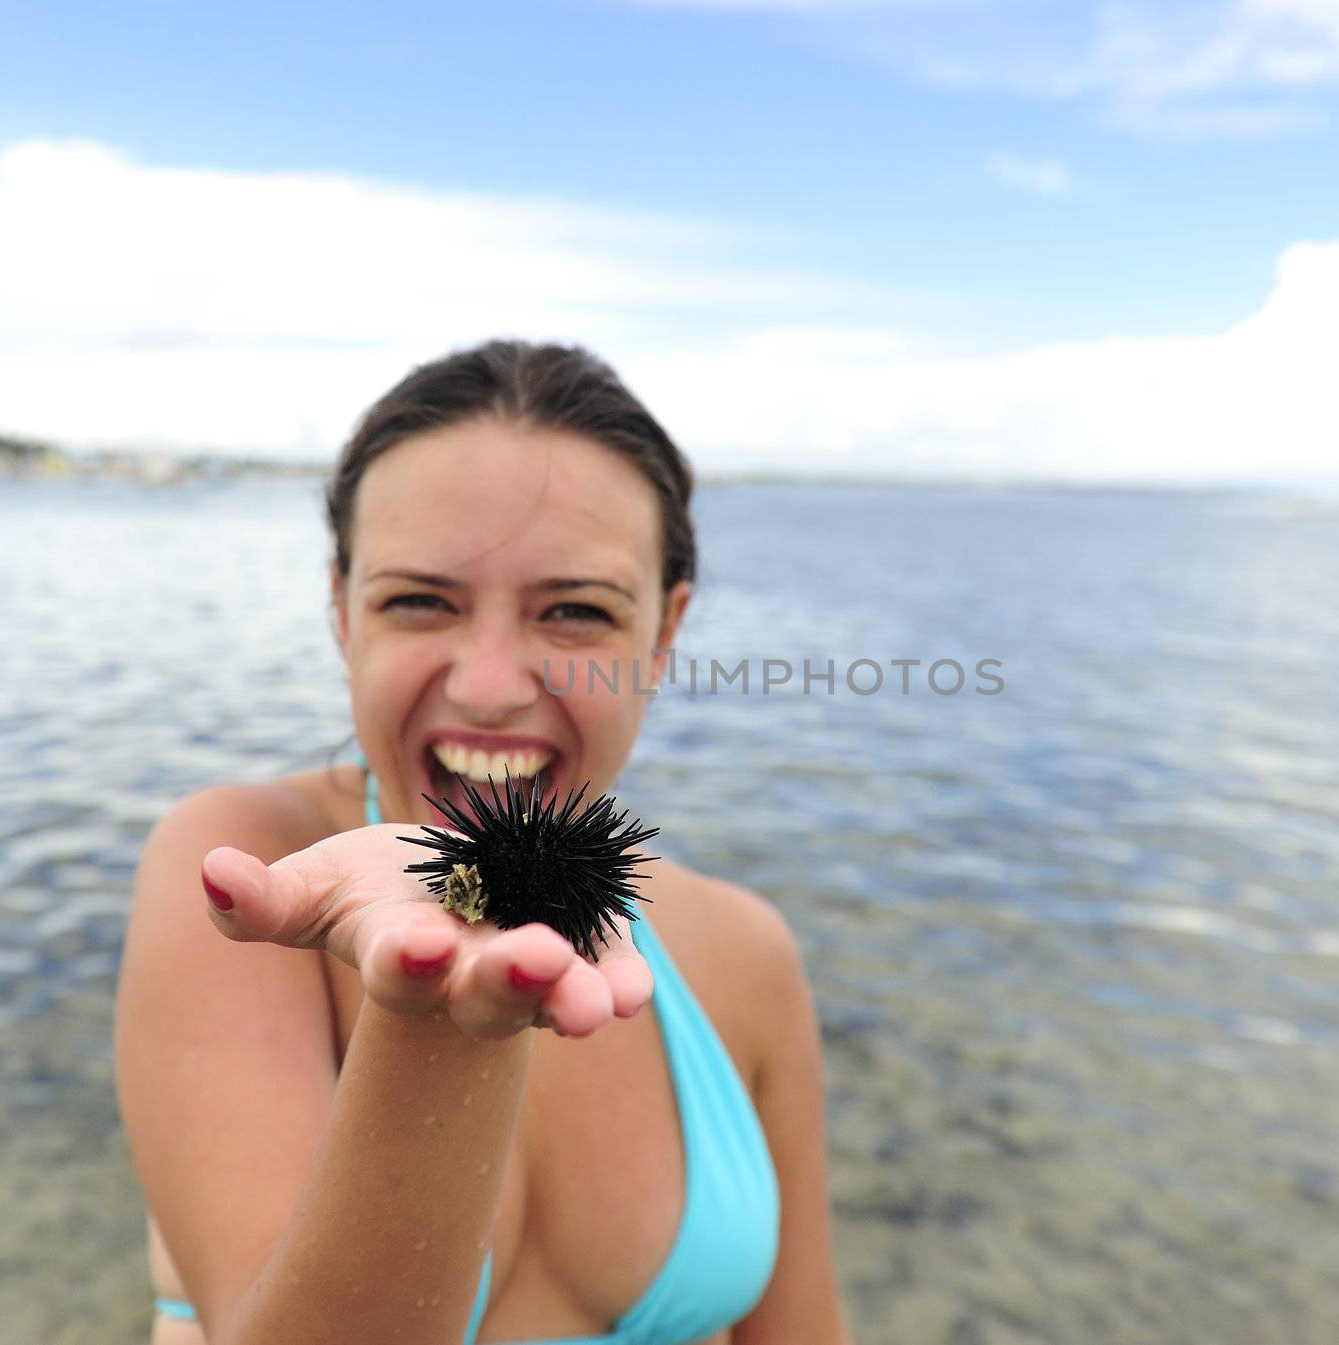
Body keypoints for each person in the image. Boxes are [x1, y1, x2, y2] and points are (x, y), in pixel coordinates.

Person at [113, 340, 852, 1345]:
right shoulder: (241, 875)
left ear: (664, 632)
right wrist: (440, 1010)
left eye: (576, 611)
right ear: (341, 612)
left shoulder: (746, 952)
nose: (491, 685)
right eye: (420, 600)